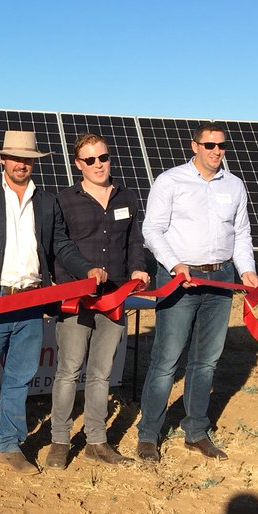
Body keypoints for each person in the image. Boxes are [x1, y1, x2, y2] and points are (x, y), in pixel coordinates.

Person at [0, 131, 101, 477]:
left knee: (19, 379)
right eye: (16, 158)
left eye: (28, 159)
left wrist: (86, 269)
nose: (21, 164)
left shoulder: (47, 201)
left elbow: (60, 245)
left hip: (32, 302)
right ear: (2, 160)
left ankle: (9, 445)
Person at [137, 122, 258, 462]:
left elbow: (241, 233)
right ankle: (149, 434)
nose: (216, 151)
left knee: (206, 361)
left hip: (220, 278)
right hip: (179, 278)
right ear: (194, 146)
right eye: (209, 145)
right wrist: (175, 265)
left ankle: (195, 431)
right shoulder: (170, 181)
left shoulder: (234, 185)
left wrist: (247, 269)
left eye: (221, 145)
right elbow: (152, 230)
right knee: (166, 359)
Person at [47, 133, 150, 470]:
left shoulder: (127, 197)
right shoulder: (64, 200)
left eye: (102, 157)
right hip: (76, 297)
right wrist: (85, 272)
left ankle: (96, 441)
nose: (98, 165)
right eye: (89, 160)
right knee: (68, 371)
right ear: (78, 164)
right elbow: (59, 244)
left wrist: (138, 269)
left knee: (101, 374)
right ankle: (60, 440)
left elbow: (134, 242)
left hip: (114, 297)